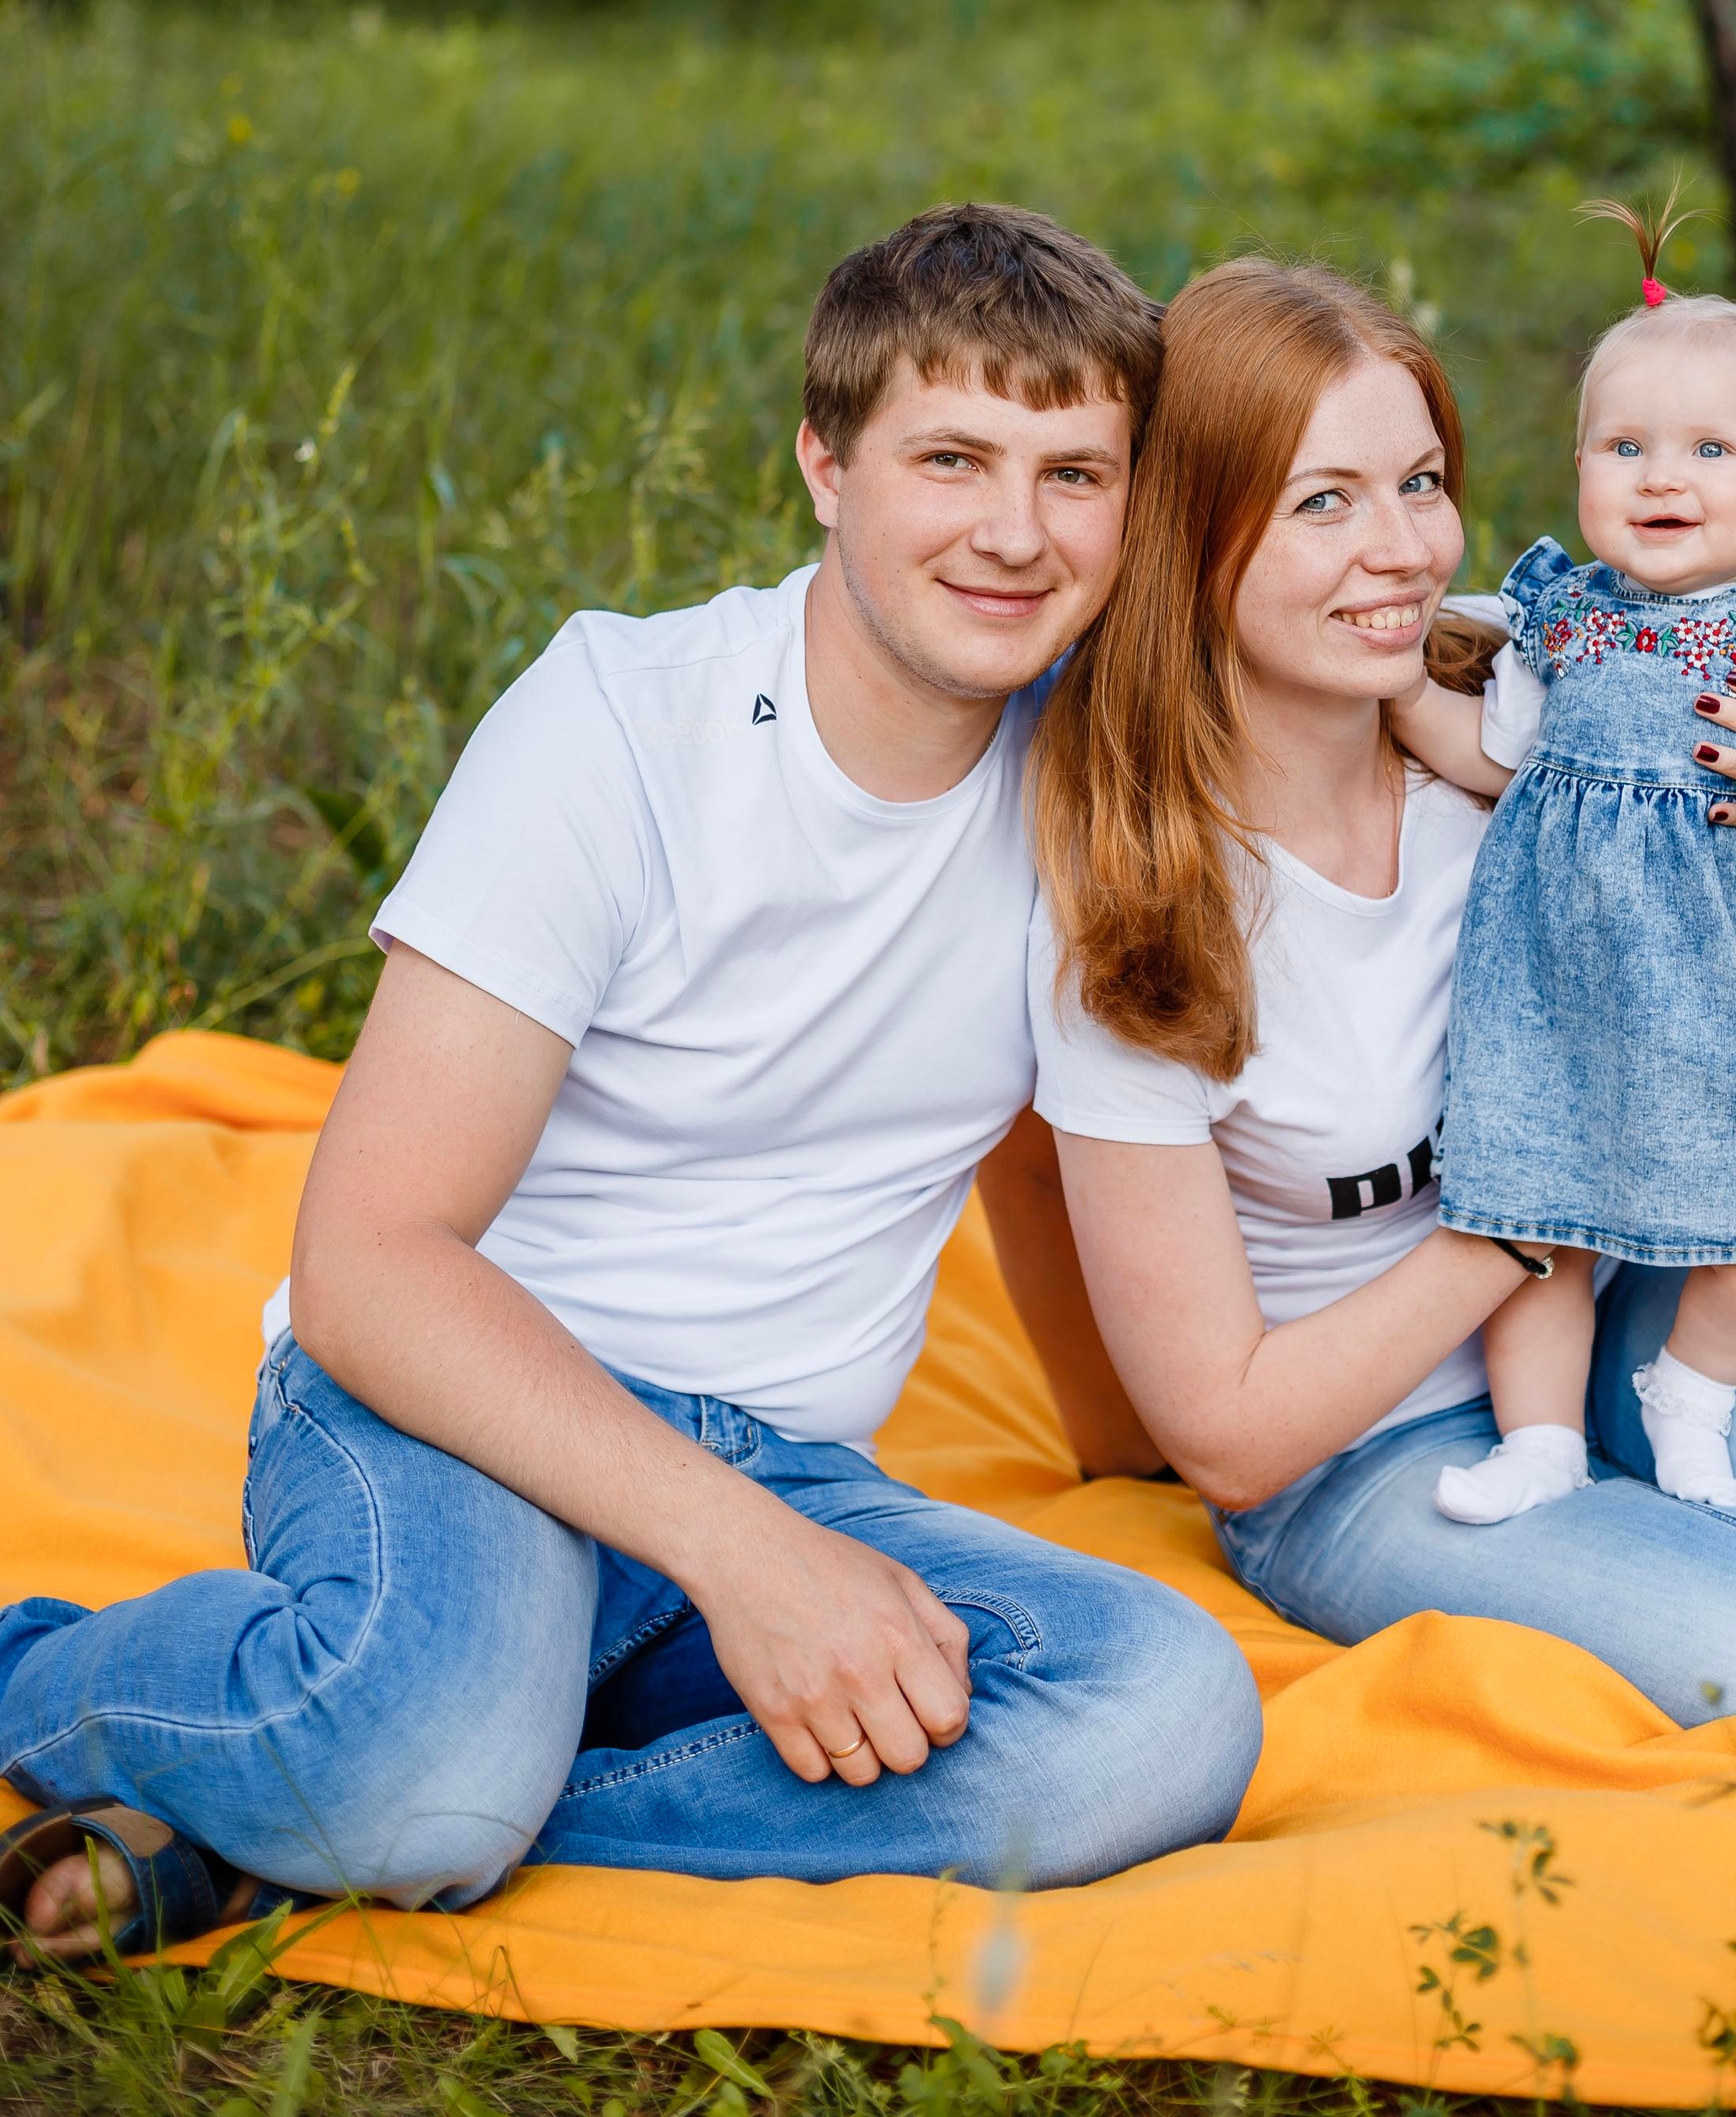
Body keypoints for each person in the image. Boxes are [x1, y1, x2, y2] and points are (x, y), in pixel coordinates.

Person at [0, 206, 1261, 1964]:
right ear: (823, 462)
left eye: (1073, 475)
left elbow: (1390, 646)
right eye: (951, 457)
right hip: (461, 1405)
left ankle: (362, 1825)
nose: (1011, 531)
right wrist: (751, 1563)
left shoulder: (1092, 783)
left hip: (786, 1463)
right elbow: (376, 1265)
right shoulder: (617, 722)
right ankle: (48, 1676)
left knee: (1160, 1713)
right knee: (427, 1756)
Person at [1028, 254, 1736, 1728]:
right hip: (1362, 1443)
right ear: (1191, 533)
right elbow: (1229, 1440)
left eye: (1421, 481)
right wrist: (1525, 1209)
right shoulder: (1143, 908)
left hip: (1649, 1282)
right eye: (1323, 501)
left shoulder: (1554, 680)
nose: (1401, 552)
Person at [1391, 200, 1736, 1522]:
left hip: (1734, 996)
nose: (1664, 477)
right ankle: (1539, 1438)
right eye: (1627, 446)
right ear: (1581, 464)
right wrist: (1393, 699)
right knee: (1534, 1222)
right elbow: (1501, 763)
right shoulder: (1562, 617)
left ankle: (1690, 1392)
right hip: (1560, 983)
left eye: (1712, 448)